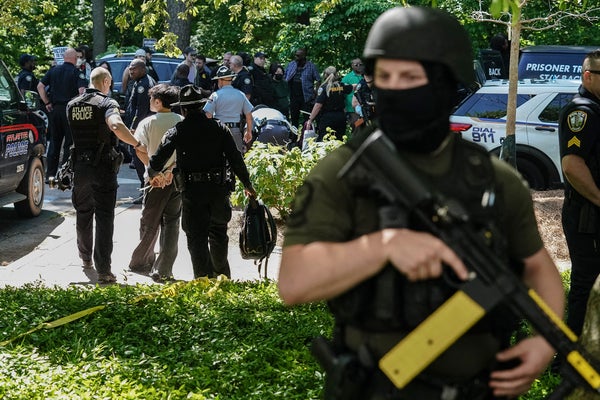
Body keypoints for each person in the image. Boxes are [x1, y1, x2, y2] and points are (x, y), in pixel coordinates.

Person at [278, 6, 564, 399]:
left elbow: (538, 268)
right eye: (385, 77)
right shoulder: (344, 171)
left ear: (445, 83)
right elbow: (294, 282)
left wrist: (545, 343)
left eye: (410, 77)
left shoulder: (493, 179)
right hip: (376, 388)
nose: (395, 89)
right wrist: (383, 246)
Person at [147, 85, 256, 279]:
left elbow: (156, 160)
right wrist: (248, 185)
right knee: (218, 234)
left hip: (192, 194)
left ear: (183, 109)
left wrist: (154, 174)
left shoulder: (177, 131)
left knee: (196, 239)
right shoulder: (219, 128)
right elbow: (236, 159)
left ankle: (202, 280)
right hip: (217, 190)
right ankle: (222, 279)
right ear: (202, 106)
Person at [67, 66, 146, 283]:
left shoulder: (72, 104)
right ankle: (103, 270)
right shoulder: (107, 103)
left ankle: (85, 259)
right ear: (107, 82)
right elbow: (115, 124)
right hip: (102, 167)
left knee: (83, 213)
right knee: (104, 217)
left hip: (79, 168)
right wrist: (136, 143)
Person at [558, 49, 600, 337]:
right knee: (587, 284)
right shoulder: (582, 111)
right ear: (588, 76)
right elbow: (572, 165)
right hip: (588, 215)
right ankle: (570, 359)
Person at [128, 84, 183, 282]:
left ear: (158, 101)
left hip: (153, 181)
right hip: (175, 180)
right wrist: (170, 170)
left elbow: (139, 149)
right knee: (172, 223)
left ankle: (142, 262)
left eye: (151, 99)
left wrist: (154, 172)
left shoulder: (148, 122)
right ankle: (165, 268)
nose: (149, 102)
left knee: (149, 222)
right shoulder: (181, 121)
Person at [37, 47, 88, 181]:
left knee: (54, 142)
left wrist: (47, 102)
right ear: (75, 59)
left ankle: (50, 175)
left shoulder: (53, 71)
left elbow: (40, 86)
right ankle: (65, 175)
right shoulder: (78, 73)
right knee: (69, 144)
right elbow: (82, 91)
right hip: (70, 110)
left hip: (55, 110)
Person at [203, 66, 253, 153]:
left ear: (221, 81)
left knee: (219, 159)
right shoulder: (241, 94)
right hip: (235, 131)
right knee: (236, 159)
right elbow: (249, 116)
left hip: (219, 131)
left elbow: (208, 115)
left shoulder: (215, 95)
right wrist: (249, 131)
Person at [126, 58, 157, 194]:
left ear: (143, 69)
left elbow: (141, 110)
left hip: (141, 128)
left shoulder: (143, 85)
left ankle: (145, 189)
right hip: (143, 126)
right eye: (130, 68)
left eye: (134, 68)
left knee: (138, 156)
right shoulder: (140, 81)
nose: (131, 71)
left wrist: (133, 127)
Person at [305, 66, 354, 141]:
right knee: (339, 140)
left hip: (327, 118)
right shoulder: (341, 87)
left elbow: (318, 105)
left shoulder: (324, 88)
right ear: (336, 75)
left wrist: (310, 119)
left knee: (324, 140)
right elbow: (353, 87)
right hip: (340, 117)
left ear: (325, 75)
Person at [284, 48, 320, 128]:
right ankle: (293, 137)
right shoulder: (291, 64)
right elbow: (285, 77)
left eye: (298, 56)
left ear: (304, 56)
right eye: (296, 55)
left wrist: (316, 94)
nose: (296, 57)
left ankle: (306, 136)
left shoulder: (311, 66)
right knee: (294, 118)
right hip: (293, 95)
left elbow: (318, 80)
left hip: (306, 96)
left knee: (307, 118)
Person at [341, 58, 364, 129]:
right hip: (352, 110)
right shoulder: (347, 78)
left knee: (365, 127)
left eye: (360, 64)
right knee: (356, 127)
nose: (359, 66)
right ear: (352, 66)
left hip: (365, 109)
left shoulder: (365, 76)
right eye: (356, 65)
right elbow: (341, 94)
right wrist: (344, 109)